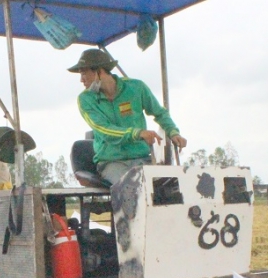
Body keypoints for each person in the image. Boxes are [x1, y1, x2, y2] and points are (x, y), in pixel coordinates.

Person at [68, 48, 188, 185]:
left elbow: (160, 113)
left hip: (142, 159)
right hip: (112, 163)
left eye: (84, 73)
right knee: (131, 188)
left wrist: (173, 132)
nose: (81, 80)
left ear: (99, 72)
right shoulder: (85, 99)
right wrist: (137, 133)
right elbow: (104, 130)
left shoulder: (136, 87)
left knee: (167, 188)